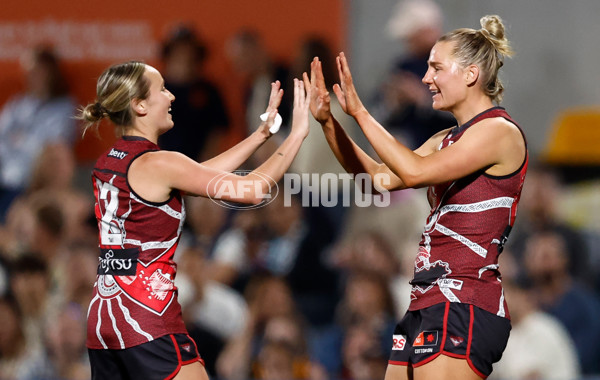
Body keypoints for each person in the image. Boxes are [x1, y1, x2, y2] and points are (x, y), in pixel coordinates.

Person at [304, 15, 527, 380]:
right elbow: (380, 178)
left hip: (464, 301)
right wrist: (330, 123)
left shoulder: (498, 131)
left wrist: (360, 112)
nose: (426, 79)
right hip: (426, 301)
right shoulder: (444, 139)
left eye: (436, 67)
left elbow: (414, 173)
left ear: (471, 74)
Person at [77, 60, 311, 380]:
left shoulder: (110, 161)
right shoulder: (160, 163)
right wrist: (296, 134)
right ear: (139, 104)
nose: (171, 96)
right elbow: (254, 189)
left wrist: (260, 135)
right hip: (145, 316)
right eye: (162, 89)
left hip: (104, 316)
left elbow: (200, 176)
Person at [0, 45, 76, 222]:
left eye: (37, 71)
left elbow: (50, 147)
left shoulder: (64, 107)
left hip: (36, 187)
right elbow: (2, 140)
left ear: (51, 73)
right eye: (29, 71)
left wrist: (19, 140)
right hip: (6, 180)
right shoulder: (17, 104)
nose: (32, 76)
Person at [158, 25, 230, 162]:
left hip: (201, 166)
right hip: (161, 164)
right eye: (178, 52)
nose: (185, 57)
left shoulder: (209, 90)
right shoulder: (154, 87)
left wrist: (206, 163)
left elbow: (218, 130)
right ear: (168, 55)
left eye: (190, 52)